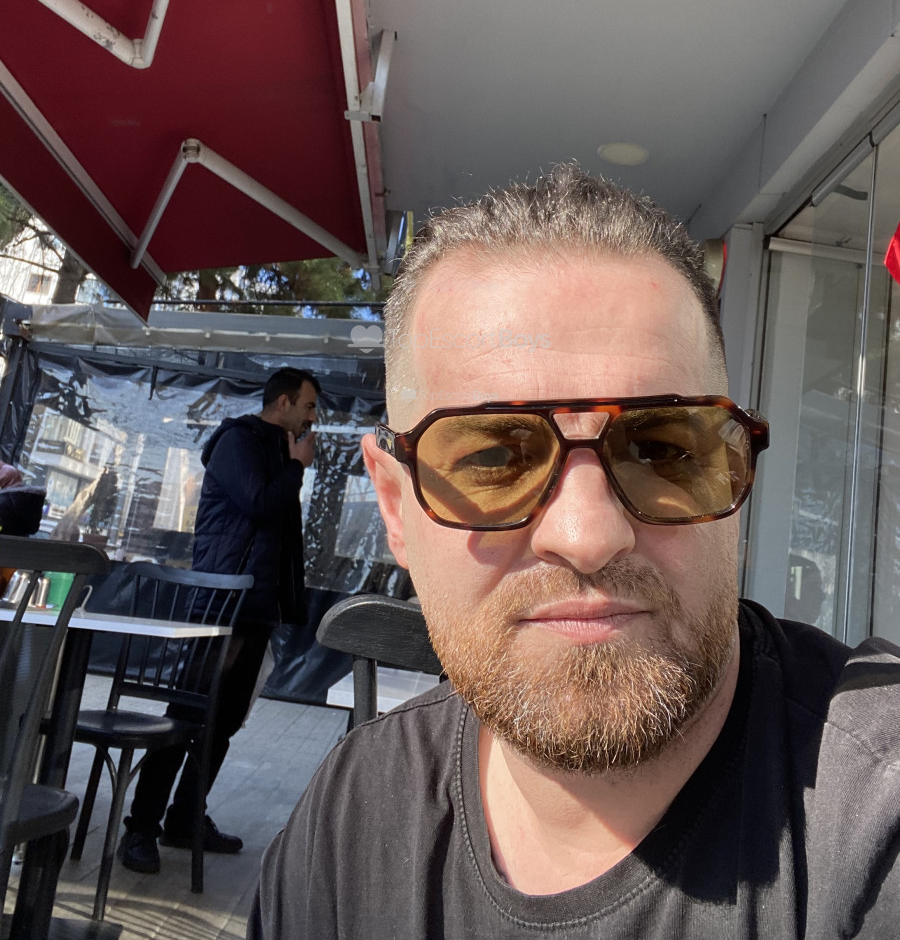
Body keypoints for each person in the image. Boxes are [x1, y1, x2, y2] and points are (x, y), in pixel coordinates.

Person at [248, 166, 900, 939]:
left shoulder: (877, 815)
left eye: (664, 448)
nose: (587, 536)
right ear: (396, 506)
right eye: (493, 458)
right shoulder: (350, 820)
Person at [119, 366, 319, 874]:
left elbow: (278, 533)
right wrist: (297, 467)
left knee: (223, 723)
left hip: (256, 606)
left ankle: (186, 817)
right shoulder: (239, 441)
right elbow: (258, 504)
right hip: (220, 602)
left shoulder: (278, 450)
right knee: (186, 715)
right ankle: (141, 827)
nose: (313, 418)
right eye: (308, 406)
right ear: (282, 402)